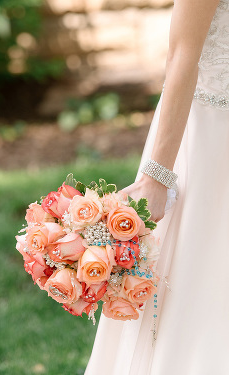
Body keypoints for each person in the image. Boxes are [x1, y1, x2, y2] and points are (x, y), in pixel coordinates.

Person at [85, 0, 227, 373]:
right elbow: (185, 54)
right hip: (208, 140)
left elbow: (182, 55)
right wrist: (158, 176)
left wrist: (157, 176)